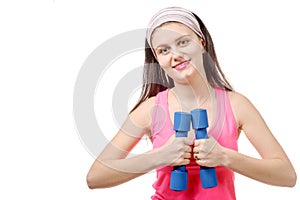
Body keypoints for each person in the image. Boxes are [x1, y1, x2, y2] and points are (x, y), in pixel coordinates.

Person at [86, 6, 297, 199]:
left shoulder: (236, 105)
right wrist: (159, 156)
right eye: (164, 50)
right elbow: (95, 177)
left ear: (201, 42)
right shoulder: (150, 110)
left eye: (183, 42)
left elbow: (287, 176)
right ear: (158, 59)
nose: (175, 55)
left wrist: (225, 156)